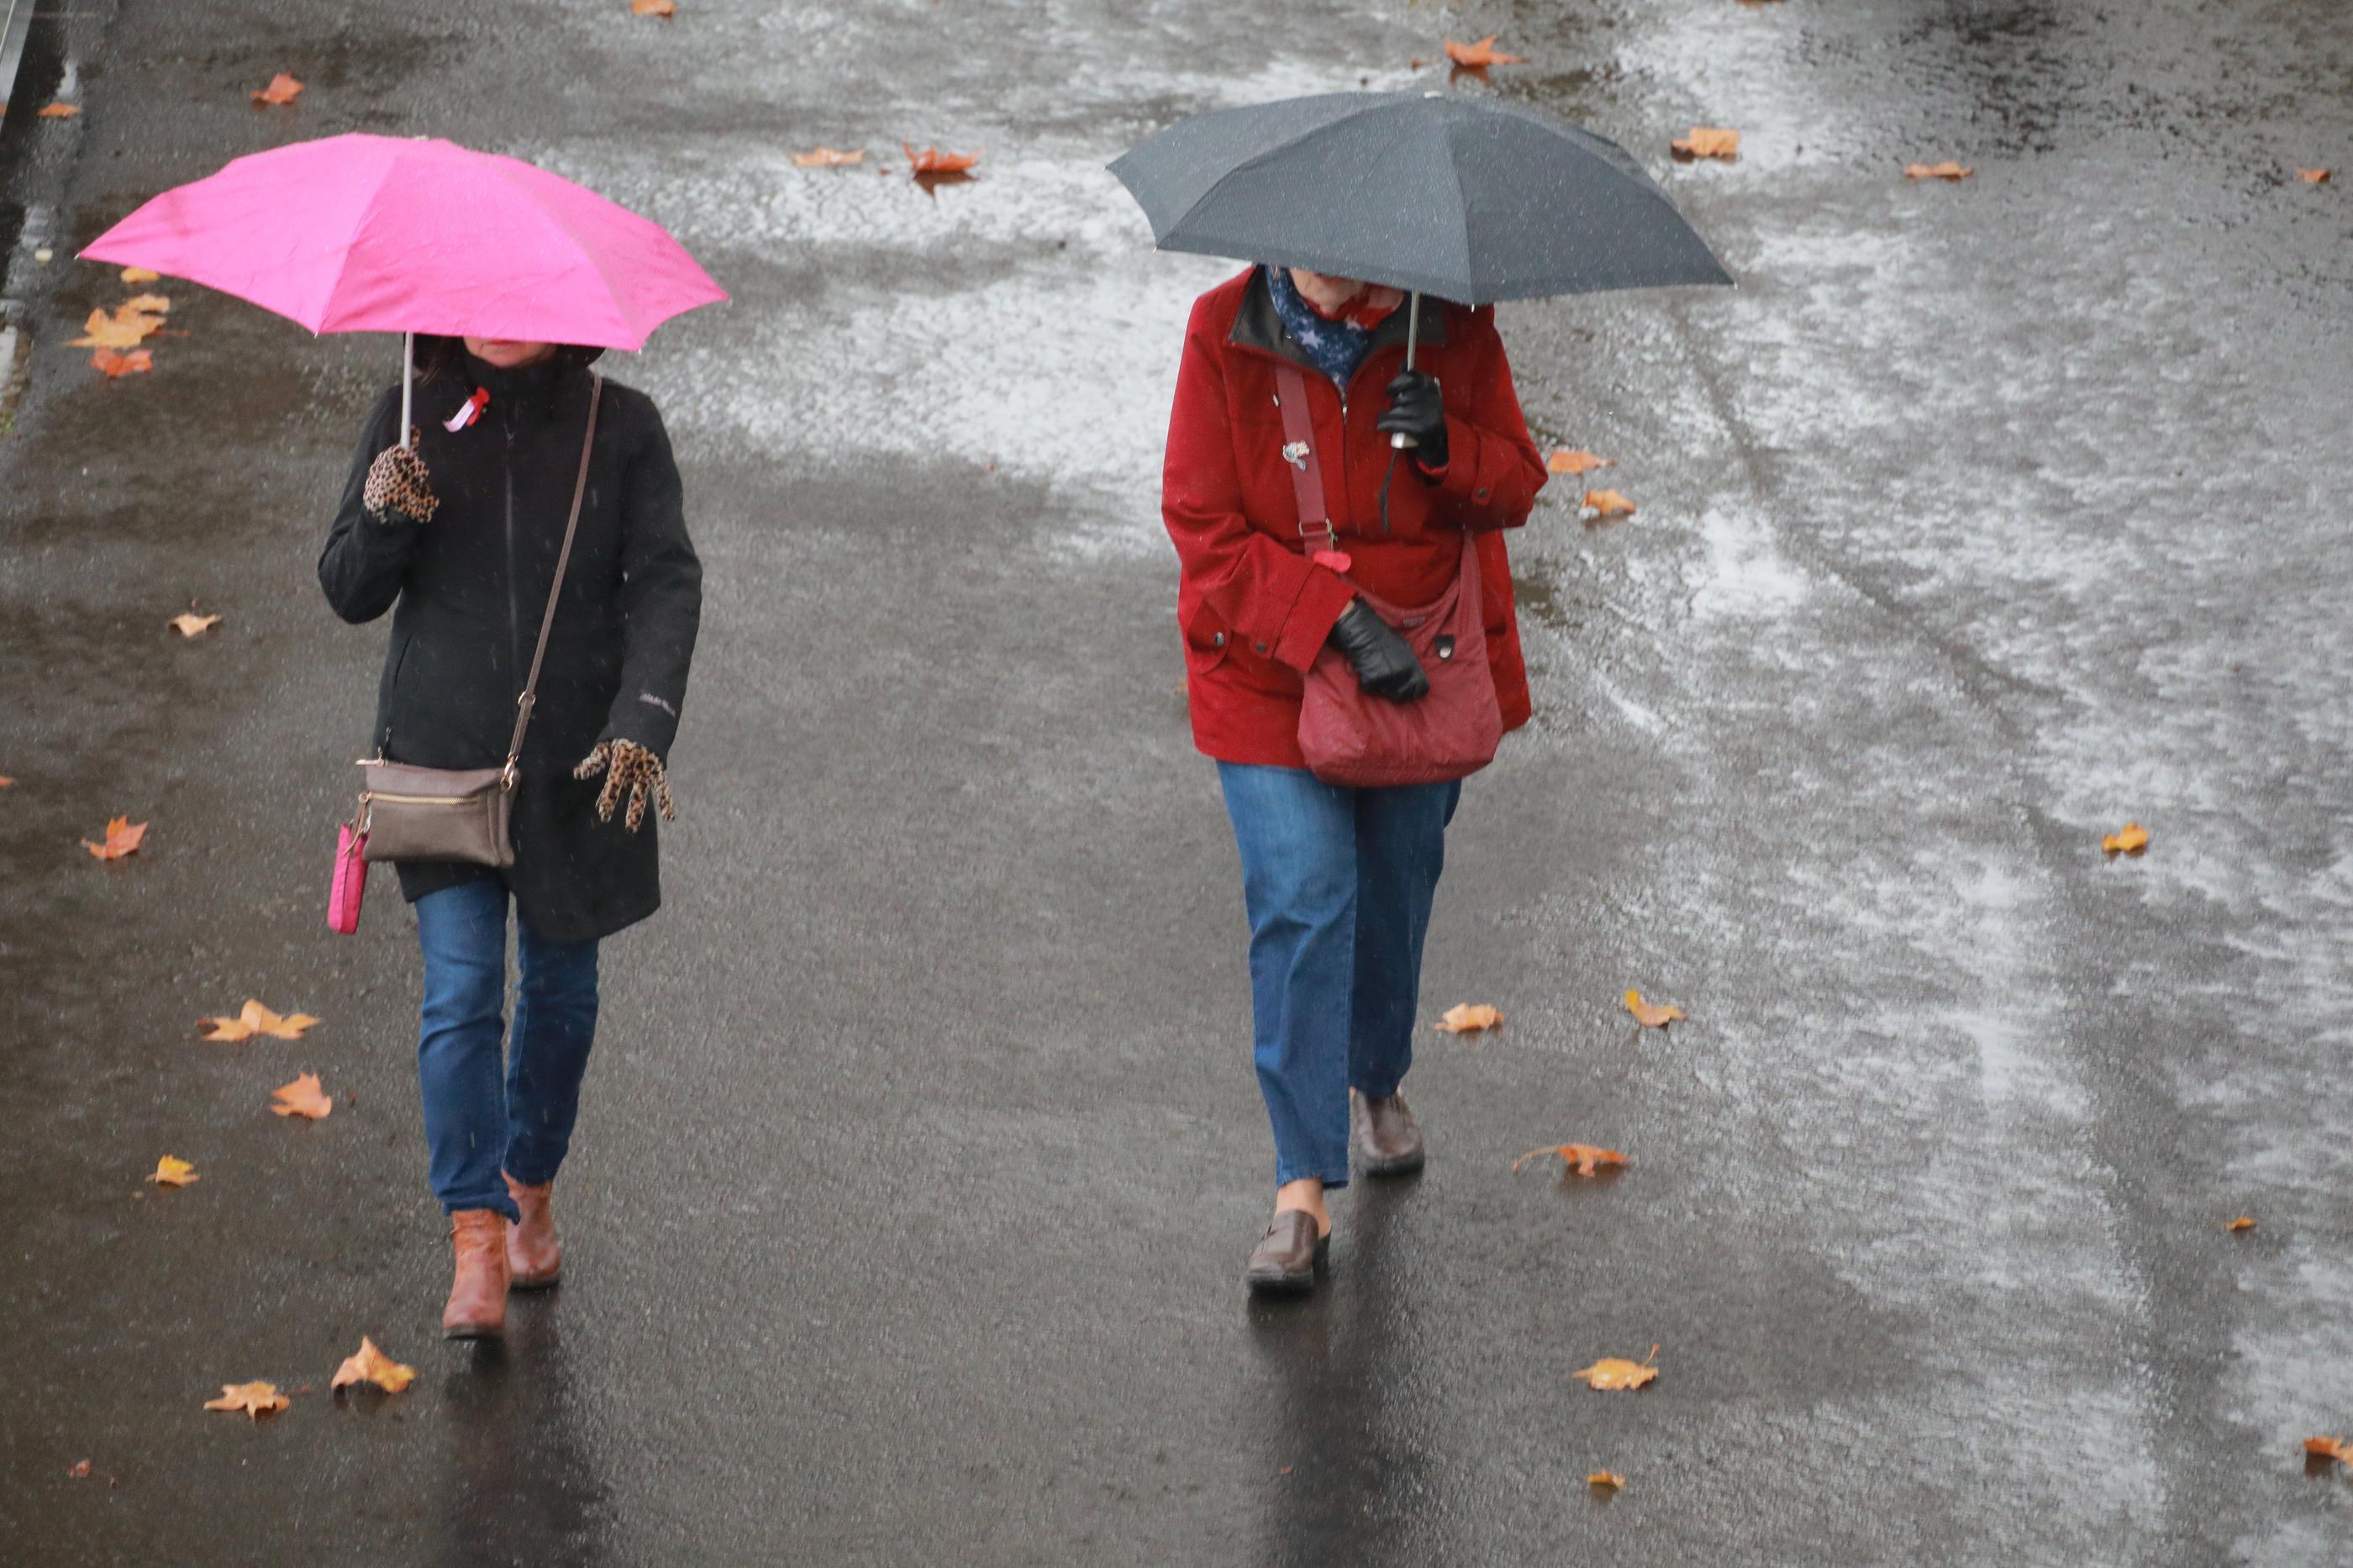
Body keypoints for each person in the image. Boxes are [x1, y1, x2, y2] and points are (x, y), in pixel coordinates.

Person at [1161, 264, 1545, 1294]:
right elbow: (1202, 525)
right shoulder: (1220, 330)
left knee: (1394, 886)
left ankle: (1377, 1078)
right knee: (1302, 894)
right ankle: (1299, 1190)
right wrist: (1332, 619)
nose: (1332, 272)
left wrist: (1444, 449)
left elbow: (1517, 481)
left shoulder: (1451, 326)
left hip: (1420, 669)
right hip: (1268, 670)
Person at [318, 334, 700, 1338]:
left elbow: (665, 582)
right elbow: (349, 590)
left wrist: (642, 722)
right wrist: (382, 515)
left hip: (579, 766)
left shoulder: (621, 426)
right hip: (443, 762)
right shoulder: (409, 414)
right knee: (460, 992)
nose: (498, 323)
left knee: (563, 990)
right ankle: (475, 1233)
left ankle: (529, 1181)